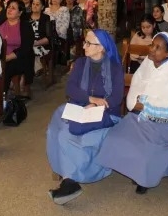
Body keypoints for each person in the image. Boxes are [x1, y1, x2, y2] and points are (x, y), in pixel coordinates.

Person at [98, 33, 168, 195]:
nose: (152, 50)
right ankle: (134, 169)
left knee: (146, 143)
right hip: (140, 115)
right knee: (115, 136)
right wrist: (140, 102)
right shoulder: (147, 64)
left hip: (167, 121)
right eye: (152, 45)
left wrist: (145, 103)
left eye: (158, 48)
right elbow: (136, 89)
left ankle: (144, 177)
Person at [46, 29, 124, 205]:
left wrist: (96, 105)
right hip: (80, 108)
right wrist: (90, 100)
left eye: (89, 43)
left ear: (101, 47)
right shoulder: (80, 63)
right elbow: (71, 89)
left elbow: (116, 98)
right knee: (62, 134)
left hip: (106, 114)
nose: (84, 46)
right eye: (85, 42)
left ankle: (69, 181)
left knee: (84, 139)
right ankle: (69, 180)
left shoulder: (114, 67)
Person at [0, 0, 33, 96]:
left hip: (19, 58)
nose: (9, 10)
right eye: (8, 7)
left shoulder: (25, 26)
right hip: (0, 57)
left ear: (20, 13)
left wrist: (8, 57)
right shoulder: (1, 23)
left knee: (5, 68)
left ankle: (1, 97)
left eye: (13, 8)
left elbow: (26, 48)